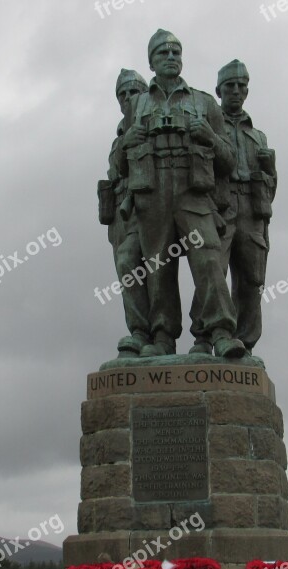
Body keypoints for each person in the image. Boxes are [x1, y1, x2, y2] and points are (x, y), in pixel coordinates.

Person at [114, 30, 246, 358]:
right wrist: (128, 143)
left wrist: (211, 139)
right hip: (152, 192)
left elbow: (229, 161)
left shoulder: (204, 102)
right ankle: (162, 336)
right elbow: (118, 165)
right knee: (157, 269)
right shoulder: (137, 104)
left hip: (192, 193)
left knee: (209, 260)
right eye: (163, 54)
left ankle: (220, 332)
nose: (171, 58)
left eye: (175, 52)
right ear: (152, 62)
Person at [190, 60, 277, 355]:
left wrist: (270, 169)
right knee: (212, 269)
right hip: (220, 206)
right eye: (230, 86)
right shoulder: (210, 124)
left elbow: (272, 187)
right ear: (218, 90)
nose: (236, 91)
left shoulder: (258, 136)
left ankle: (244, 343)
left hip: (253, 211)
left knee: (252, 281)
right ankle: (203, 336)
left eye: (242, 86)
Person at [98, 69, 154, 357]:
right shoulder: (119, 136)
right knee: (127, 266)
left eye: (134, 92)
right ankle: (139, 331)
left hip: (153, 205)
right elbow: (116, 171)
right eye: (123, 94)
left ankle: (160, 335)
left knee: (156, 270)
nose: (128, 98)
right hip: (123, 212)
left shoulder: (155, 122)